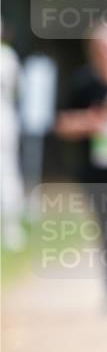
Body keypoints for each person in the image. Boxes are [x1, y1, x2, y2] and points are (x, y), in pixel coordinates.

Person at [56, 19, 107, 309]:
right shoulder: (83, 82)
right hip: (95, 168)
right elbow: (63, 124)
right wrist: (92, 123)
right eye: (101, 45)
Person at [0, 25, 25, 252]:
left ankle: (11, 228)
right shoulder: (8, 57)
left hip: (5, 120)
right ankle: (11, 229)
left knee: (7, 174)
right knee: (8, 173)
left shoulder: (7, 57)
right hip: (6, 119)